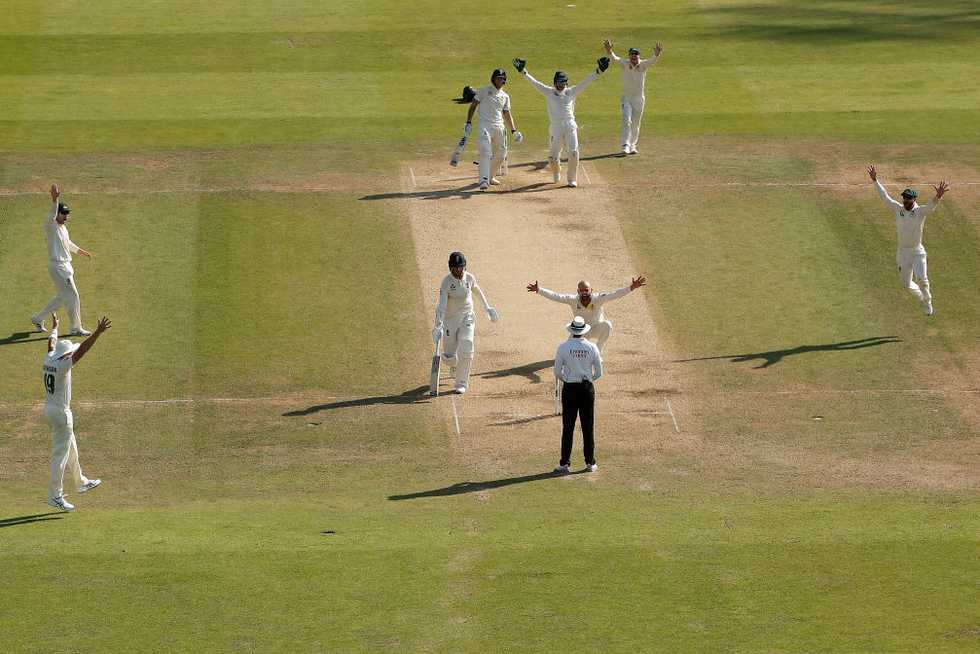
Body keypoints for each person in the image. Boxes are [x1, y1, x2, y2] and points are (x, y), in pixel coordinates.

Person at [42, 312, 111, 512]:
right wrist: (97, 332)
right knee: (59, 456)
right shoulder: (64, 364)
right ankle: (55, 496)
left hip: (50, 410)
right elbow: (83, 350)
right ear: (66, 355)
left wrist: (55, 327)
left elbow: (51, 344)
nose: (72, 354)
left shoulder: (50, 358)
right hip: (61, 414)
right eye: (70, 353)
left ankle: (81, 481)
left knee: (71, 447)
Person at [512, 55, 610, 187]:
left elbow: (585, 82)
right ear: (554, 82)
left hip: (570, 125)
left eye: (563, 82)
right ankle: (556, 171)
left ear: (566, 82)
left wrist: (599, 70)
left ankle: (571, 180)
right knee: (552, 158)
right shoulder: (549, 92)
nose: (561, 84)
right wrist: (523, 71)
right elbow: (534, 83)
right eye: (558, 82)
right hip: (556, 127)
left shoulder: (571, 92)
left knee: (574, 152)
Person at [867, 165, 949, 315]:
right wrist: (875, 180)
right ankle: (922, 299)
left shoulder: (919, 212)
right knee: (906, 284)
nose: (905, 202)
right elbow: (885, 197)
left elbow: (931, 207)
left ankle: (928, 301)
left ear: (914, 199)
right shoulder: (898, 209)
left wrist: (938, 196)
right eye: (904, 199)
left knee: (922, 280)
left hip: (917, 252)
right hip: (902, 252)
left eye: (908, 199)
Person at [433, 252, 499, 394]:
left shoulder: (469, 278)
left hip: (467, 317)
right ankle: (454, 364)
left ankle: (461, 382)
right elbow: (442, 305)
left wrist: (488, 308)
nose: (459, 271)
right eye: (456, 268)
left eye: (461, 267)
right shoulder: (446, 282)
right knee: (449, 357)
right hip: (450, 320)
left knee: (466, 346)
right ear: (450, 268)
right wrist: (438, 325)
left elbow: (477, 291)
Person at [31, 184, 93, 335]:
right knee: (73, 295)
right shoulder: (50, 225)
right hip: (58, 267)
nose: (66, 216)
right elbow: (52, 212)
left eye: (67, 213)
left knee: (62, 297)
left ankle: (38, 318)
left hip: (65, 266)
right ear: (57, 214)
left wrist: (80, 251)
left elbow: (67, 243)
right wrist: (55, 199)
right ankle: (75, 328)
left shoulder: (63, 227)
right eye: (63, 213)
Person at [526, 276, 647, 351]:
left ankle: (598, 353)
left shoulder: (598, 298)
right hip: (580, 331)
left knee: (607, 325)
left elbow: (615, 294)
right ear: (578, 291)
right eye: (582, 290)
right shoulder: (573, 299)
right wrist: (539, 290)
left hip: (596, 329)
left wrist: (631, 287)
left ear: (591, 290)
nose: (584, 292)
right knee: (568, 351)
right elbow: (556, 296)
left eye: (586, 290)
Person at [553, 316, 603, 474]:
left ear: (572, 330)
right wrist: (588, 380)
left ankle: (564, 463)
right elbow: (599, 373)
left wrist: (567, 380)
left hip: (569, 388)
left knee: (568, 427)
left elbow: (557, 372)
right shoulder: (592, 347)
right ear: (584, 331)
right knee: (588, 427)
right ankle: (590, 462)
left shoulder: (563, 347)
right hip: (586, 389)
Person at [466, 68, 524, 191]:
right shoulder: (483, 90)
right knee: (485, 152)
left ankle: (490, 176)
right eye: (499, 78)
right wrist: (468, 122)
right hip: (484, 125)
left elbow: (507, 114)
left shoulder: (505, 96)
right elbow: (473, 106)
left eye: (503, 78)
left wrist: (514, 130)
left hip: (499, 127)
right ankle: (483, 180)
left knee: (501, 156)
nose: (501, 80)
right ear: (493, 78)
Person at [602, 39, 663, 155]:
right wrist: (609, 50)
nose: (633, 57)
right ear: (629, 56)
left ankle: (633, 145)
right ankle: (625, 145)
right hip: (627, 99)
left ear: (638, 56)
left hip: (639, 100)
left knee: (635, 123)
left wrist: (657, 54)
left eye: (635, 55)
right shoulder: (625, 63)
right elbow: (615, 58)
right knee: (626, 120)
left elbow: (652, 61)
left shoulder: (643, 65)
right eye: (631, 55)